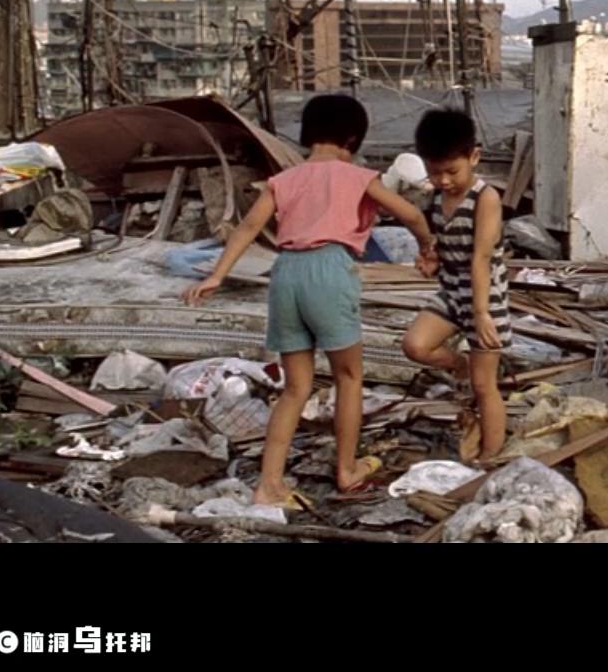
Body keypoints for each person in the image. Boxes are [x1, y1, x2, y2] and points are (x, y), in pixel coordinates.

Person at [183, 94, 437, 507]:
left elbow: (247, 226)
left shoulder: (284, 179)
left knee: (295, 389)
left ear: (307, 135)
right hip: (329, 270)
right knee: (349, 378)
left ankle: (269, 484)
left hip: (286, 274)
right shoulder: (357, 177)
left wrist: (216, 275)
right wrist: (427, 247)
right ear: (353, 137)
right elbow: (410, 214)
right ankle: (347, 469)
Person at [399, 108, 515, 460]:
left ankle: (490, 457)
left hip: (485, 299)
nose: (444, 181)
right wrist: (431, 259)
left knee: (484, 387)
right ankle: (459, 363)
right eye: (435, 174)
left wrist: (481, 314)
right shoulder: (436, 199)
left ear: (474, 157)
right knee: (415, 346)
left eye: (452, 171)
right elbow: (442, 246)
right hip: (452, 293)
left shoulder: (486, 198)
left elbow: (481, 257)